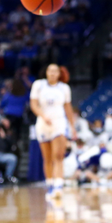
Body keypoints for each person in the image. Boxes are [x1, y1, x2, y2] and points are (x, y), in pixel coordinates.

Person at [30, 64, 76, 199]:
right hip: (43, 123)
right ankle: (50, 185)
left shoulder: (64, 88)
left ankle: (58, 187)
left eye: (55, 71)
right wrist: (43, 116)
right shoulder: (39, 85)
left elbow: (68, 108)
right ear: (46, 72)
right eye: (50, 71)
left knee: (58, 155)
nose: (52, 73)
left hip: (59, 123)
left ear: (59, 73)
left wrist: (72, 126)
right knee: (47, 157)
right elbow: (33, 104)